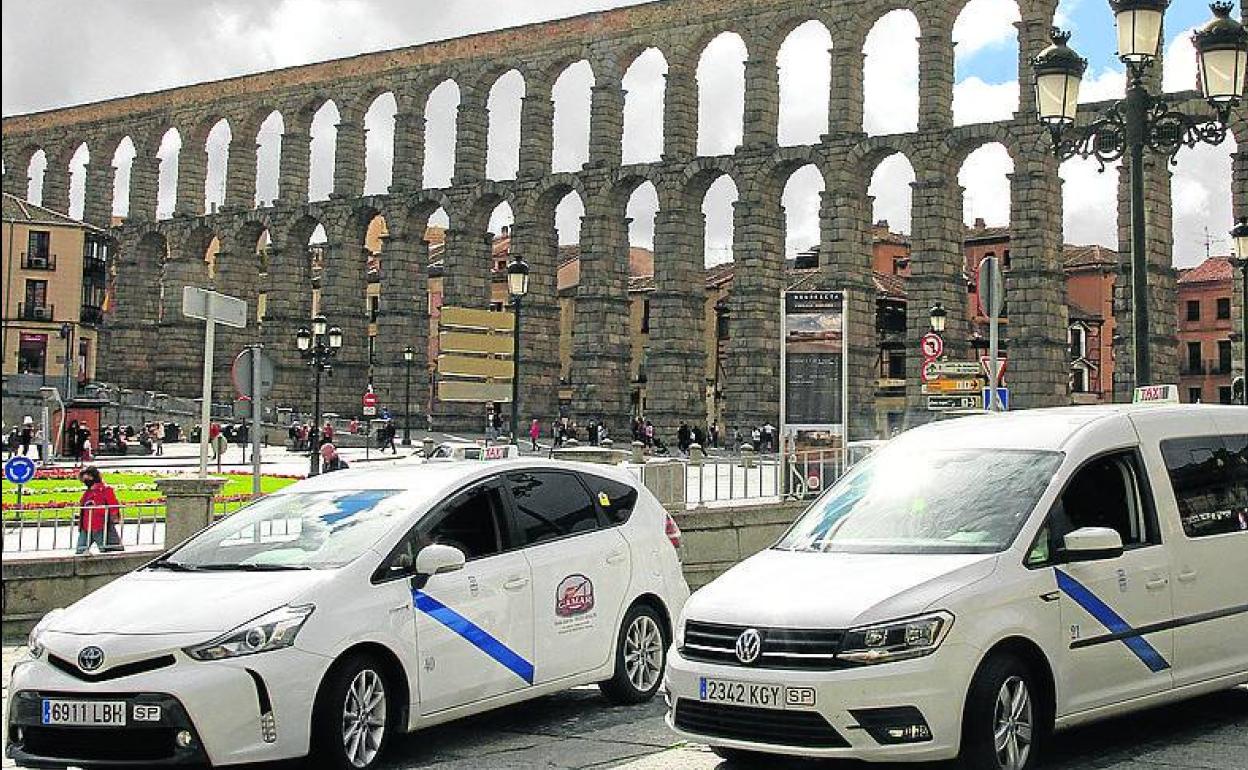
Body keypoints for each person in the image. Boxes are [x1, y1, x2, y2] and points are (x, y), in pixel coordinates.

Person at [75, 466, 123, 554]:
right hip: (86, 526)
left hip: (100, 526)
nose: (85, 481)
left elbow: (113, 506)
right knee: (80, 551)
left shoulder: (106, 490)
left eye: (88, 478)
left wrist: (113, 518)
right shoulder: (88, 492)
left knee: (107, 552)